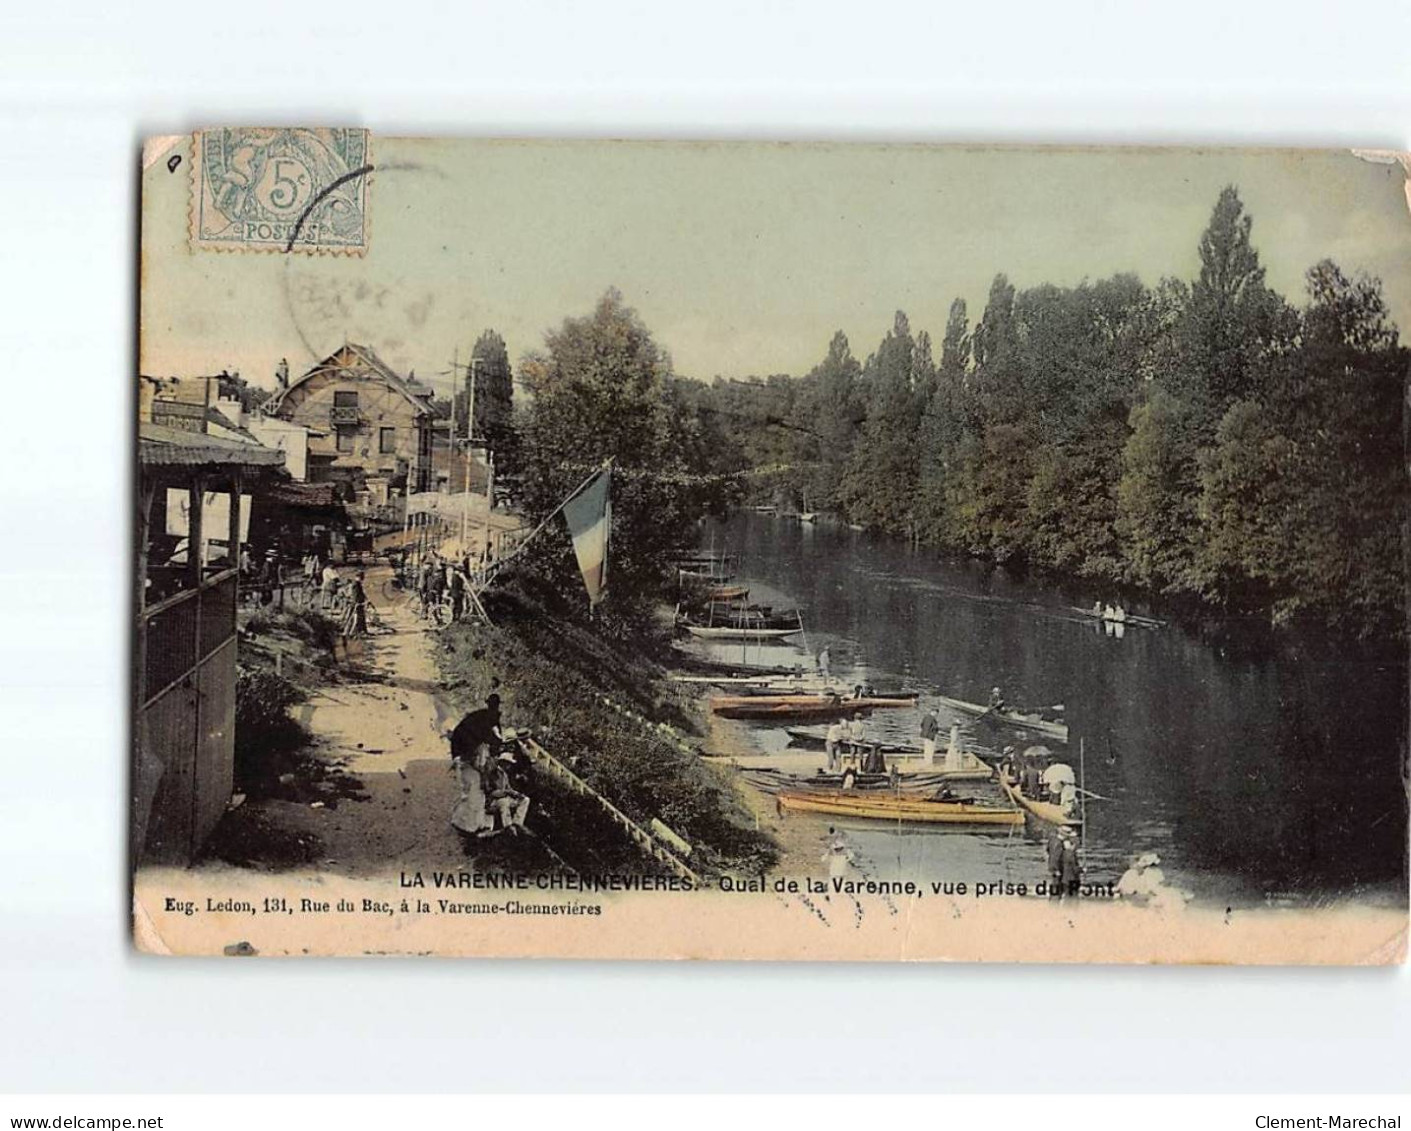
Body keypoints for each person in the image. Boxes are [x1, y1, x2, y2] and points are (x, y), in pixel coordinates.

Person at [1047, 826, 1081, 897]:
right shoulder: (1060, 845)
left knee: (1056, 891)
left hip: (1060, 874)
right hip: (1064, 877)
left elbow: (1051, 855)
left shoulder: (1053, 841)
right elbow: (1055, 858)